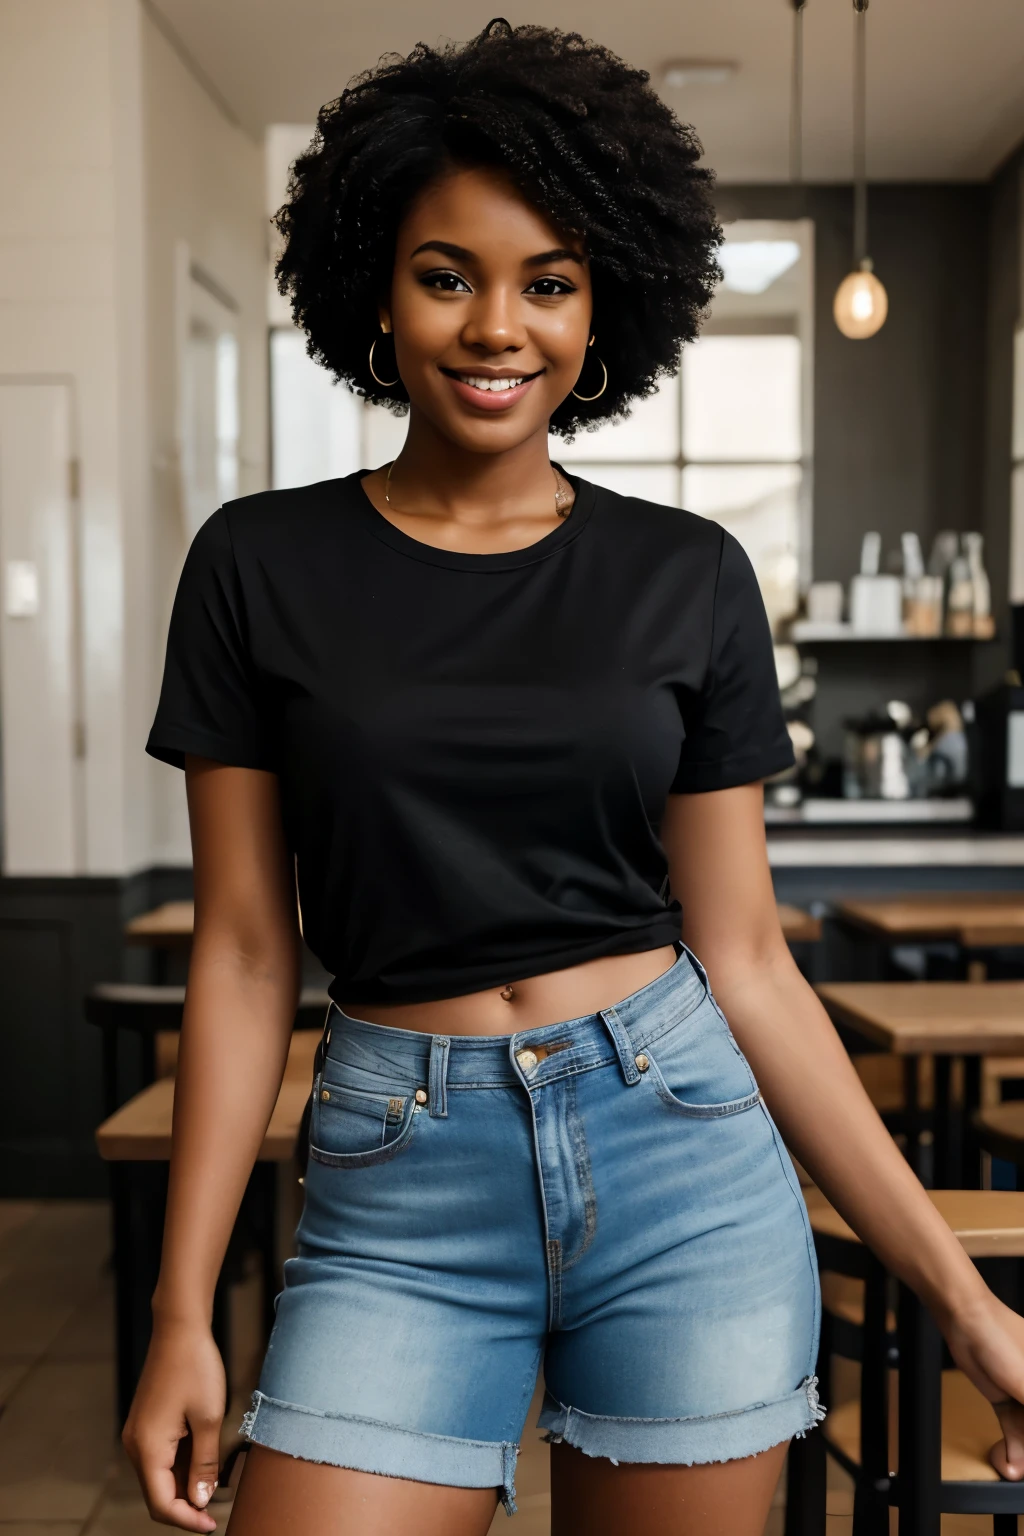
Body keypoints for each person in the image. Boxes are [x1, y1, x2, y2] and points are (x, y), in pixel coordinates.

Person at [125, 20, 1024, 1536]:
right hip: (395, 1182)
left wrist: (972, 1305)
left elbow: (745, 957)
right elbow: (242, 946)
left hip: (680, 1160)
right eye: (446, 274)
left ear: (606, 305)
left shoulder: (689, 575)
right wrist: (180, 1309)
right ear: (375, 292)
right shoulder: (256, 565)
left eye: (548, 282)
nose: (498, 328)